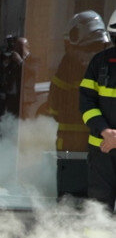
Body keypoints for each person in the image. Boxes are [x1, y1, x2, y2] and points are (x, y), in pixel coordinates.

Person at [45, 11, 112, 151]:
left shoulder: (69, 66)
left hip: (74, 144)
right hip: (96, 144)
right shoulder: (106, 64)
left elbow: (54, 108)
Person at [80, 9, 116, 210]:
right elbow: (86, 104)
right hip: (102, 150)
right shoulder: (99, 62)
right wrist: (105, 131)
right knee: (99, 207)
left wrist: (110, 135)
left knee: (100, 206)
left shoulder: (100, 61)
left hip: (103, 145)